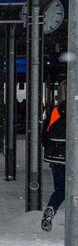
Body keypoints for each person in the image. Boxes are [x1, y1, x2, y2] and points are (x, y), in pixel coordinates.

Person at [41, 80, 67, 232]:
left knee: (60, 189)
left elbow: (44, 134)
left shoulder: (54, 112)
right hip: (72, 158)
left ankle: (51, 209)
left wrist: (51, 149)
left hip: (55, 157)